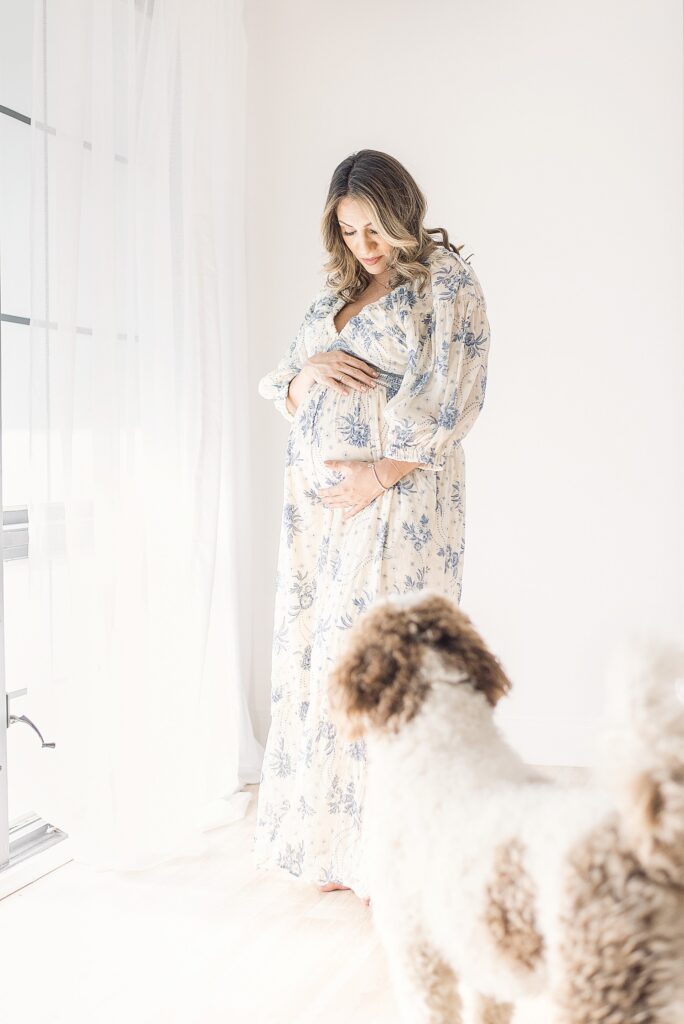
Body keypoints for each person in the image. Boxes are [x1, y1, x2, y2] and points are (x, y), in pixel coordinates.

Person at [252, 149, 491, 904]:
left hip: (397, 503)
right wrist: (310, 371)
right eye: (350, 231)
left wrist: (375, 474)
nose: (365, 245)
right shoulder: (338, 294)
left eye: (375, 227)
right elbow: (281, 382)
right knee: (327, 656)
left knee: (387, 658)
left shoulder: (443, 280)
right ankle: (335, 840)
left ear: (402, 212)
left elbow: (455, 395)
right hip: (318, 514)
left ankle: (396, 851)